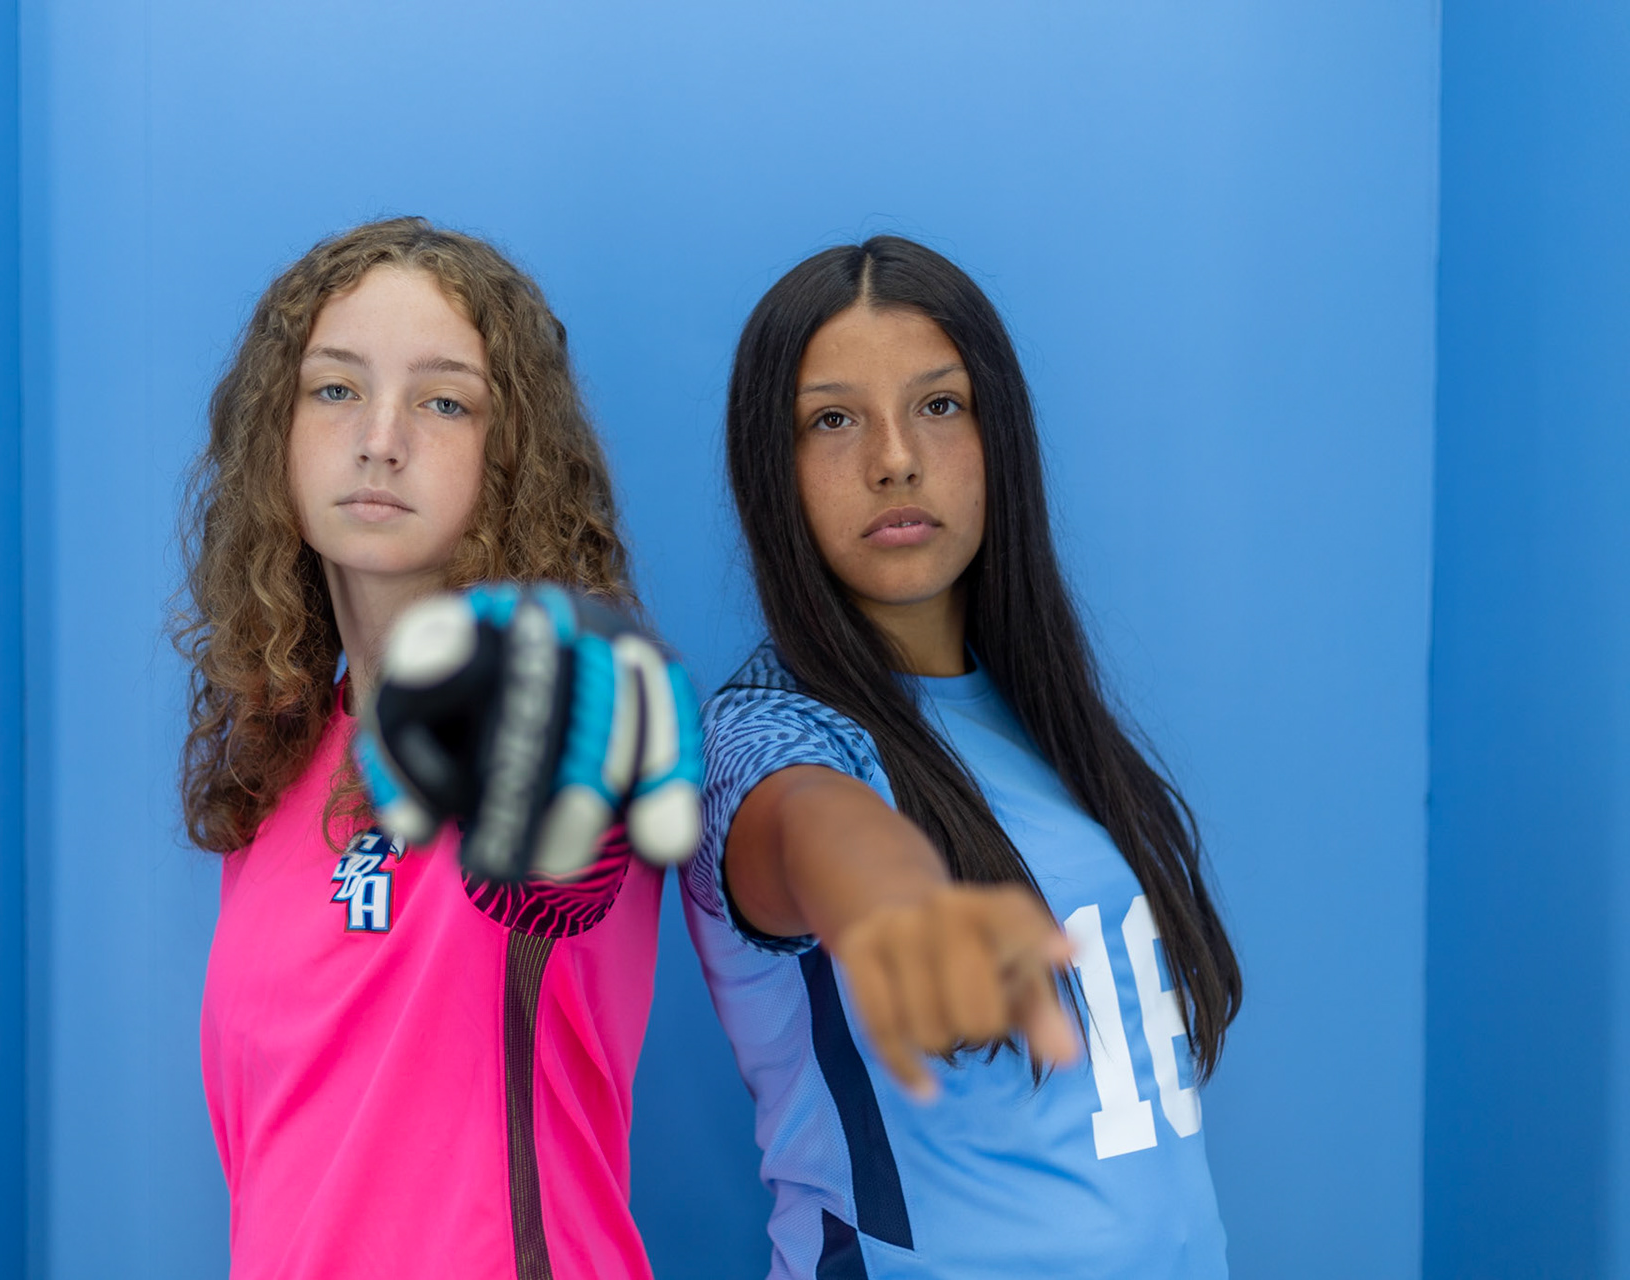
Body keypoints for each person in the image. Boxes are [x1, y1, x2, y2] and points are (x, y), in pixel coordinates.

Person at [684, 235, 1243, 1278]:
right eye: (833, 419)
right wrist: (895, 901)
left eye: (939, 405)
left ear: (999, 438)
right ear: (773, 468)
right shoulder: (767, 732)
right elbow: (813, 825)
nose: (894, 457)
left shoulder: (1053, 726)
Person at [180, 217, 682, 1280]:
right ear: (276, 432)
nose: (381, 437)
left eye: (444, 401)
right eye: (336, 389)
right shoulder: (281, 765)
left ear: (511, 457)